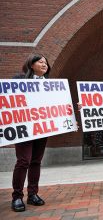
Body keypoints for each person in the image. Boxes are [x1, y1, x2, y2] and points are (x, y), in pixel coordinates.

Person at [11, 54, 51, 212]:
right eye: (40, 61)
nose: (44, 63)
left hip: (42, 129)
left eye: (46, 62)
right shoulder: (19, 80)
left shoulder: (51, 85)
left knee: (36, 161)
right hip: (24, 128)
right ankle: (17, 197)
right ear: (31, 64)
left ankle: (32, 194)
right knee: (23, 161)